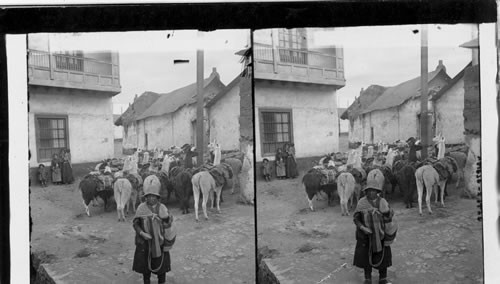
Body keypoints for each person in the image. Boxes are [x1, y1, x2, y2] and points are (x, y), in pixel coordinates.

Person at [353, 180, 397, 284]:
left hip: (381, 235)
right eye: (369, 190)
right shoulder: (361, 202)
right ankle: (367, 278)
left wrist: (385, 212)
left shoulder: (383, 202)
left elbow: (390, 216)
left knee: (383, 256)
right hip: (365, 235)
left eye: (374, 191)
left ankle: (383, 278)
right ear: (366, 191)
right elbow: (356, 218)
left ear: (377, 192)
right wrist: (363, 228)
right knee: (365, 257)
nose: (371, 193)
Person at [132, 179, 173, 284]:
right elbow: (135, 223)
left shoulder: (162, 208)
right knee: (146, 269)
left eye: (153, 196)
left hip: (160, 243)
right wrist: (142, 233)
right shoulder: (141, 208)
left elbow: (169, 224)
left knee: (161, 269)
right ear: (146, 197)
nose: (151, 198)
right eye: (149, 196)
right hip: (144, 243)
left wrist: (164, 219)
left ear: (157, 197)